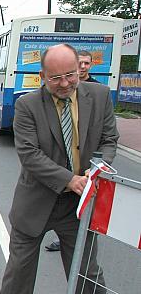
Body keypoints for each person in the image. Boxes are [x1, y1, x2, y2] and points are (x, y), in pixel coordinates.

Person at [0, 44, 119, 294]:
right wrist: (69, 179)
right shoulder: (28, 105)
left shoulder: (98, 98)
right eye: (55, 77)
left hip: (79, 205)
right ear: (42, 76)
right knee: (18, 272)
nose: (64, 83)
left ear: (80, 70)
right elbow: (30, 155)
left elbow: (109, 141)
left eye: (70, 75)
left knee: (87, 273)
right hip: (36, 202)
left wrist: (97, 168)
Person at [46, 50, 100, 253]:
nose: (83, 67)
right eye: (80, 63)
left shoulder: (98, 92)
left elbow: (107, 137)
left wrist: (95, 168)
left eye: (87, 63)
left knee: (86, 265)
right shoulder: (40, 101)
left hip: (84, 184)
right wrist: (68, 178)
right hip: (56, 184)